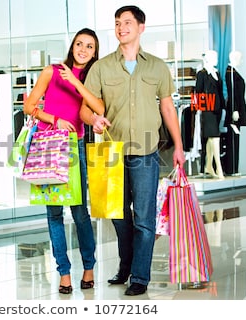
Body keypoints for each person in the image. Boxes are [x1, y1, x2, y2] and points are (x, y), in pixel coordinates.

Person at [79, 6, 185, 296]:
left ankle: (140, 276)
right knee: (118, 214)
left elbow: (167, 107)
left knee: (144, 218)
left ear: (141, 27)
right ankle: (125, 265)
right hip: (110, 151)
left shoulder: (157, 66)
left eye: (127, 22)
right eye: (117, 23)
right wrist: (94, 120)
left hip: (146, 149)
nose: (121, 27)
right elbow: (85, 108)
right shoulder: (101, 68)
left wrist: (178, 145)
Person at [23, 28, 103, 294]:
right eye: (79, 44)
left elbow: (97, 109)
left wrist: (78, 83)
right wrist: (54, 120)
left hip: (75, 146)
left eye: (89, 46)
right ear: (72, 46)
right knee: (53, 214)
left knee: (80, 212)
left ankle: (89, 267)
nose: (83, 49)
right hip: (48, 145)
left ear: (94, 52)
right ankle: (64, 272)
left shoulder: (94, 77)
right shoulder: (52, 71)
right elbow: (29, 106)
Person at [196, 50, 225, 179]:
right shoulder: (202, 74)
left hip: (217, 109)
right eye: (214, 57)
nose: (216, 59)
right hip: (207, 109)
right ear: (208, 59)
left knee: (211, 138)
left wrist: (223, 107)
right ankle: (219, 167)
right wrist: (199, 109)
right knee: (215, 137)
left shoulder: (216, 73)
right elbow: (198, 92)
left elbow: (220, 91)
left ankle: (209, 165)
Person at [223, 50, 246, 175]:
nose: (242, 61)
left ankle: (233, 168)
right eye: (240, 58)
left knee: (235, 138)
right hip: (235, 110)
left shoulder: (233, 72)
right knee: (233, 139)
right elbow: (232, 92)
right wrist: (234, 109)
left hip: (237, 108)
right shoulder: (230, 73)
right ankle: (231, 168)